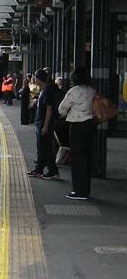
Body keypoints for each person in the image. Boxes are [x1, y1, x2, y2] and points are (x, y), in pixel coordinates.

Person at [58, 68, 96, 200]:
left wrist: (67, 112)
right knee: (86, 157)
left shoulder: (74, 91)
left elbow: (61, 109)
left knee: (78, 158)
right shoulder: (91, 90)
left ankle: (78, 191)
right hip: (90, 125)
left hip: (77, 126)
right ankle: (85, 190)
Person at [27, 69, 59, 179]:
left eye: (35, 77)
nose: (34, 79)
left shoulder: (47, 91)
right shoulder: (43, 89)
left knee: (45, 148)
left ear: (39, 78)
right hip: (40, 123)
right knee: (41, 147)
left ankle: (52, 171)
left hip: (44, 124)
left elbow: (49, 109)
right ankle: (39, 169)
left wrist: (45, 126)